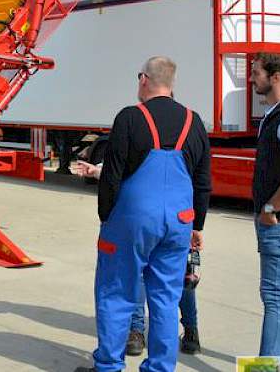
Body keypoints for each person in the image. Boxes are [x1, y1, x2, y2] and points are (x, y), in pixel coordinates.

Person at [72, 56, 211, 372]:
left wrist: (105, 217)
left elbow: (113, 174)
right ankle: (161, 367)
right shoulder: (194, 121)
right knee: (165, 298)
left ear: (145, 79)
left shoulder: (130, 118)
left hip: (131, 221)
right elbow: (203, 180)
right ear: (172, 83)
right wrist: (197, 225)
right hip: (179, 222)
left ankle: (108, 364)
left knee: (116, 290)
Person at [249, 53, 280, 365]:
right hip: (278, 221)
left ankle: (264, 368)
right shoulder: (275, 115)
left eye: (256, 72)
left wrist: (272, 208)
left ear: (275, 77)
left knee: (275, 298)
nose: (251, 79)